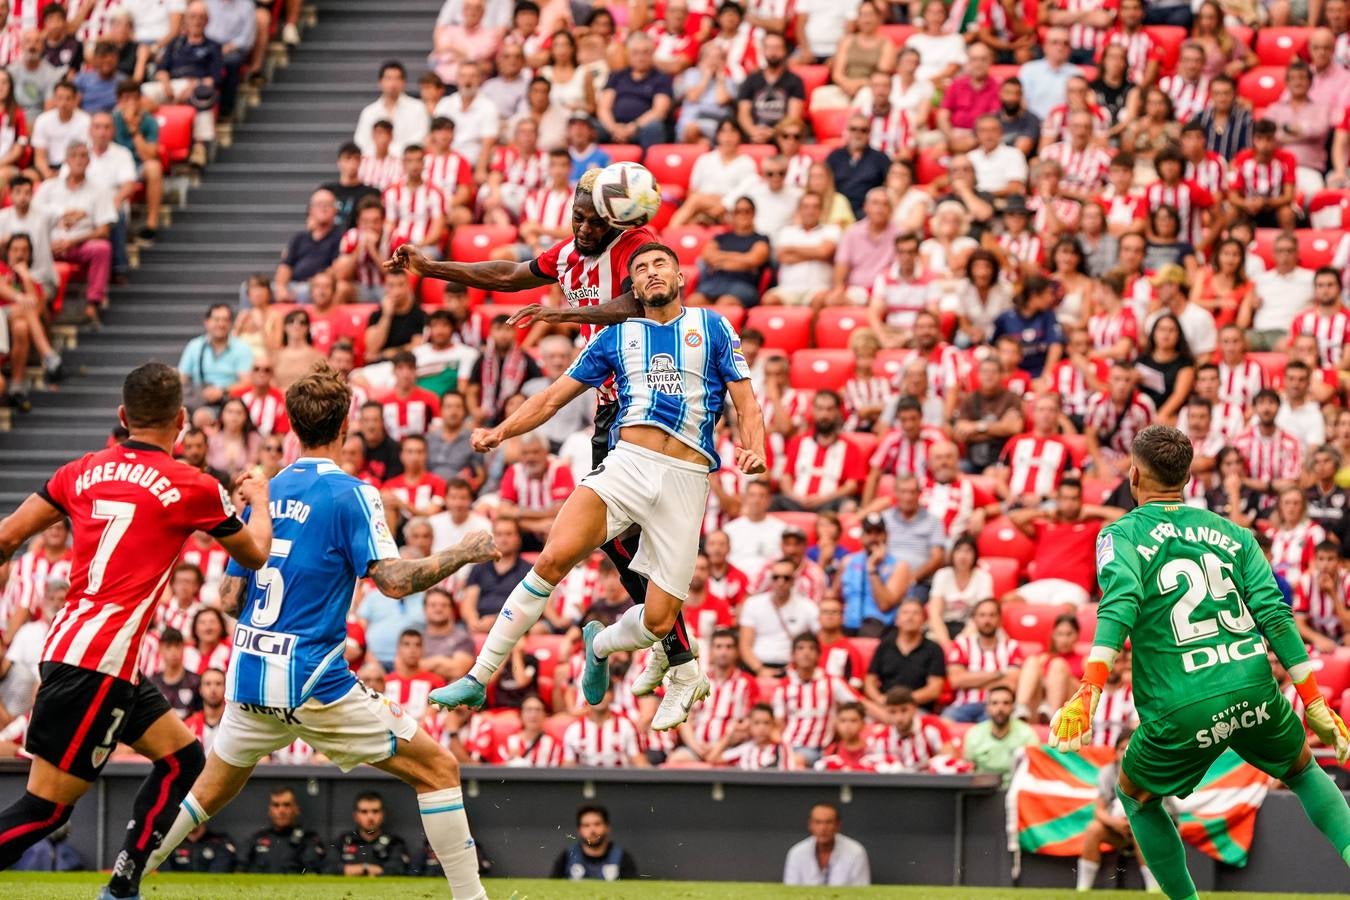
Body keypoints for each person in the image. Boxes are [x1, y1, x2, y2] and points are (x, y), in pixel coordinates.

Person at [138, 364, 499, 900]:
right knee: (439, 769)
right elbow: (394, 582)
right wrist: (462, 552)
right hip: (312, 678)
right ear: (346, 425)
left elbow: (230, 598)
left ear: (291, 425)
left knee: (206, 794)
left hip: (250, 673)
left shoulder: (266, 491)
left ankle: (126, 881)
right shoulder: (352, 493)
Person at [429, 243, 765, 733]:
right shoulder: (616, 335)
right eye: (641, 269)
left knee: (656, 621)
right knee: (550, 559)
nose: (652, 273)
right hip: (627, 464)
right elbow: (550, 398)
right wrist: (501, 431)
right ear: (632, 287)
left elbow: (747, 402)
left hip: (687, 481)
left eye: (660, 264)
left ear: (679, 274)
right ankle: (479, 675)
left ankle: (601, 644)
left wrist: (753, 448)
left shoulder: (712, 326)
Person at [387, 171, 706, 685]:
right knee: (618, 537)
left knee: (628, 533)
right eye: (576, 217)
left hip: (649, 402)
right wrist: (431, 268)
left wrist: (562, 313)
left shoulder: (636, 245)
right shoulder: (569, 254)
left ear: (617, 219)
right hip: (610, 405)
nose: (581, 227)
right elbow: (509, 274)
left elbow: (636, 305)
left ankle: (673, 653)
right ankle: (668, 647)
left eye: (592, 220)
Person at [0, 363, 273, 894]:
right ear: (183, 420)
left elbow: (7, 537)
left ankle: (122, 887)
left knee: (182, 758)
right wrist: (259, 502)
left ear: (123, 417)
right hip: (97, 663)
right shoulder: (193, 485)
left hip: (84, 651)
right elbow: (256, 553)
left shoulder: (79, 470)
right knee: (46, 809)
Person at [1052, 424, 1350, 900]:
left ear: (1133, 475)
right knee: (1303, 770)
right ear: (1188, 478)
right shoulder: (1235, 534)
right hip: (1253, 687)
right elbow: (1274, 614)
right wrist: (1312, 699)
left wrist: (1089, 688)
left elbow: (1120, 602)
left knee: (1134, 795)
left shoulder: (1120, 534)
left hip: (1182, 701)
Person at [1076, 730, 1160, 892]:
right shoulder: (1107, 772)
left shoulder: (1151, 771)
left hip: (1151, 830)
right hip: (1119, 829)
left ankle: (1154, 891)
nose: (1126, 753)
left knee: (1141, 831)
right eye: (1122, 749)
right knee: (1093, 829)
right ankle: (1082, 890)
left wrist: (1135, 821)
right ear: (1114, 753)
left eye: (1130, 748)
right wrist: (1114, 823)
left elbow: (1159, 811)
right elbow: (1098, 811)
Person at [863, 598, 946, 710]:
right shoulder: (884, 646)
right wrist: (880, 699)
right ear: (897, 620)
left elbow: (934, 689)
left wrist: (901, 702)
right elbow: (870, 681)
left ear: (924, 620)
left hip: (917, 708)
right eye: (905, 613)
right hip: (884, 706)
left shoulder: (934, 649)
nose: (910, 617)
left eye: (915, 613)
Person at [782, 802, 871, 887]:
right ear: (810, 825)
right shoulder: (796, 853)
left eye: (829, 822)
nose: (823, 828)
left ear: (838, 825)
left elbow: (861, 892)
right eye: (818, 822)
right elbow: (790, 892)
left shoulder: (856, 852)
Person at [962, 685, 1037, 785]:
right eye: (994, 703)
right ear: (987, 708)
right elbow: (968, 770)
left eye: (1006, 703)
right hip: (982, 792)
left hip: (1016, 791)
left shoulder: (1027, 734)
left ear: (1013, 707)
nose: (1000, 708)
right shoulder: (974, 734)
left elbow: (1034, 770)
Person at [241, 785, 325, 874]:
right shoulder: (256, 839)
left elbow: (312, 873)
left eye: (286, 805)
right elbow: (239, 870)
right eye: (276, 805)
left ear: (296, 809)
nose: (281, 810)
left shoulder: (308, 839)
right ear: (270, 810)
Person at [326, 792, 410, 877]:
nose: (370, 817)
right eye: (364, 812)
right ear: (356, 816)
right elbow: (327, 866)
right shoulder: (343, 840)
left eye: (375, 811)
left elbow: (398, 869)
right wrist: (348, 869)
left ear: (382, 815)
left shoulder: (394, 842)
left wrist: (366, 869)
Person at [550, 804, 638, 880]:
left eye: (597, 824)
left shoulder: (622, 858)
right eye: (586, 825)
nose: (592, 830)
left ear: (607, 827)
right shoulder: (567, 857)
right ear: (579, 830)